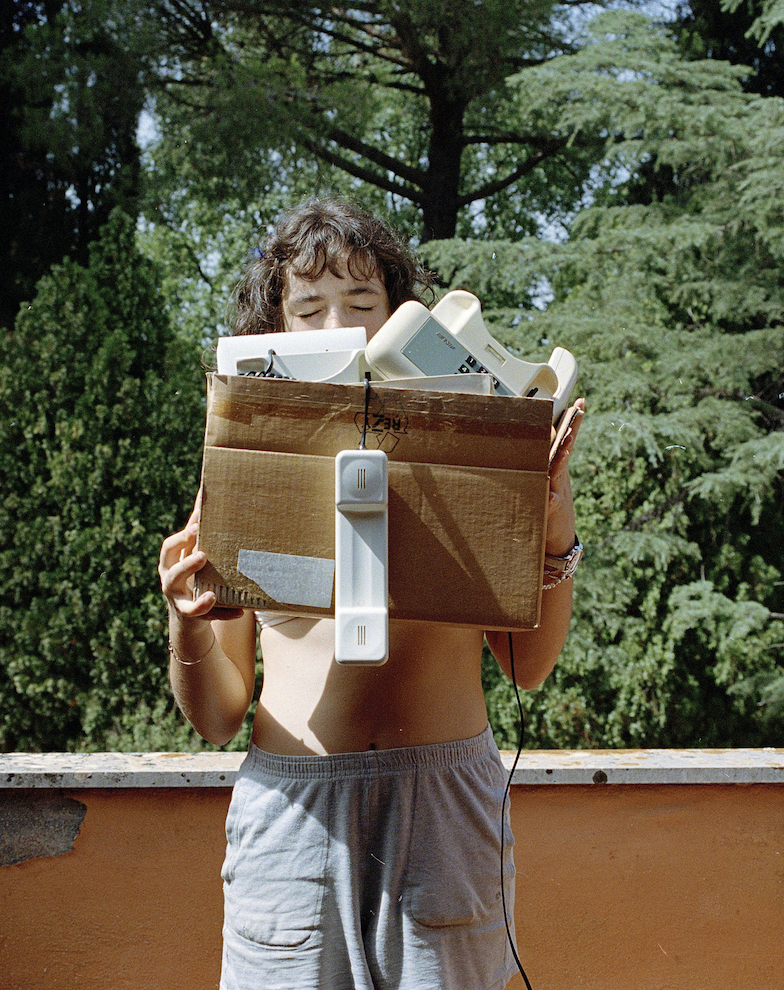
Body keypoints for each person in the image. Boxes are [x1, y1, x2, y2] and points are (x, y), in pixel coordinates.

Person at [157, 197, 585, 990]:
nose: (333, 330)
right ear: (273, 327)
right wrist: (187, 625)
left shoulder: (467, 442)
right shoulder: (247, 457)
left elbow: (527, 668)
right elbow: (219, 713)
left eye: (361, 305)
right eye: (307, 307)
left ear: (399, 319)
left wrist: (553, 521)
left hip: (447, 811)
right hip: (292, 817)